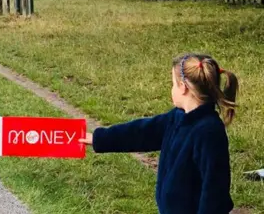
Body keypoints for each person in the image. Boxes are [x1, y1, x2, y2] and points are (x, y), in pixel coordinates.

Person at [80, 53, 238, 214]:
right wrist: (100, 138)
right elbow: (141, 132)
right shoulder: (177, 117)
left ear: (183, 87)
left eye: (173, 84)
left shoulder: (209, 131)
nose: (172, 89)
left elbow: (215, 191)